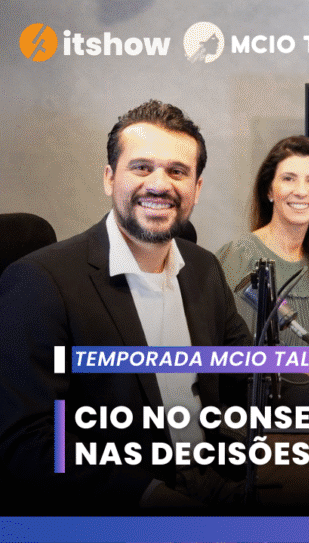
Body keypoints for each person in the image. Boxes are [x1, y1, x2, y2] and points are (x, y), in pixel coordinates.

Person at [0, 100, 252, 512]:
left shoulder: (203, 267)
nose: (159, 184)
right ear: (109, 178)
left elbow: (246, 372)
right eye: (141, 167)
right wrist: (149, 496)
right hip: (123, 499)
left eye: (177, 171)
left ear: (197, 189)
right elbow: (29, 438)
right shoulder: (41, 282)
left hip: (215, 478)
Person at [216, 136, 309, 363]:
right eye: (289, 179)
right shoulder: (237, 255)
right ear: (269, 191)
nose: (301, 191)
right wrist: (306, 365)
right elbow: (219, 349)